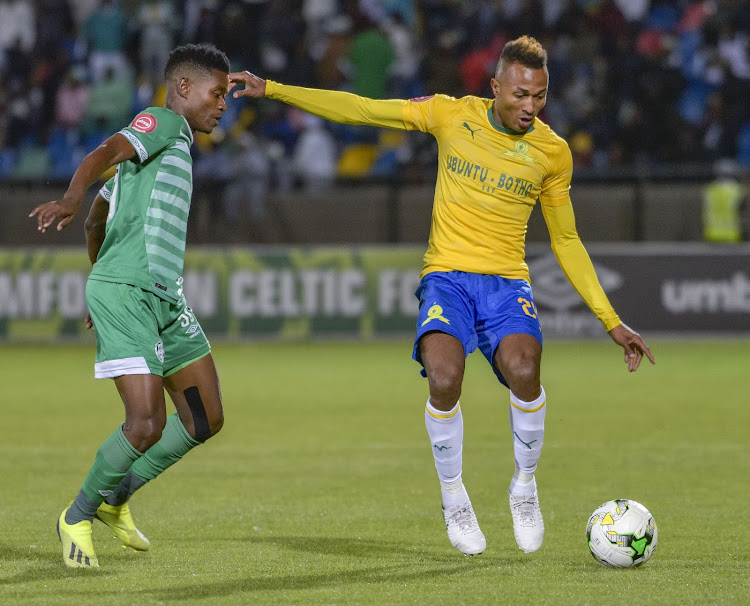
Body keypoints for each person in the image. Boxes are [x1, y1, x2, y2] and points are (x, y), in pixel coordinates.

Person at [228, 35, 655, 556]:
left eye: (539, 96)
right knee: (445, 377)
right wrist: (273, 89)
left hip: (506, 281)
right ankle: (454, 496)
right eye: (520, 94)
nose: (530, 107)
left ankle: (524, 486)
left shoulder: (552, 152)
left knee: (525, 370)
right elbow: (362, 108)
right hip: (447, 277)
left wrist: (611, 320)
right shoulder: (449, 115)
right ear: (495, 86)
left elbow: (565, 239)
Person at [30, 43, 231, 568]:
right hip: (130, 291)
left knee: (204, 418)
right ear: (183, 88)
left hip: (164, 296)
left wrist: (96, 262)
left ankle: (117, 498)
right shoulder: (161, 122)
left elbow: (100, 220)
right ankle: (76, 515)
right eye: (218, 93)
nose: (223, 104)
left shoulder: (165, 152)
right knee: (145, 422)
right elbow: (101, 156)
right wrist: (72, 198)